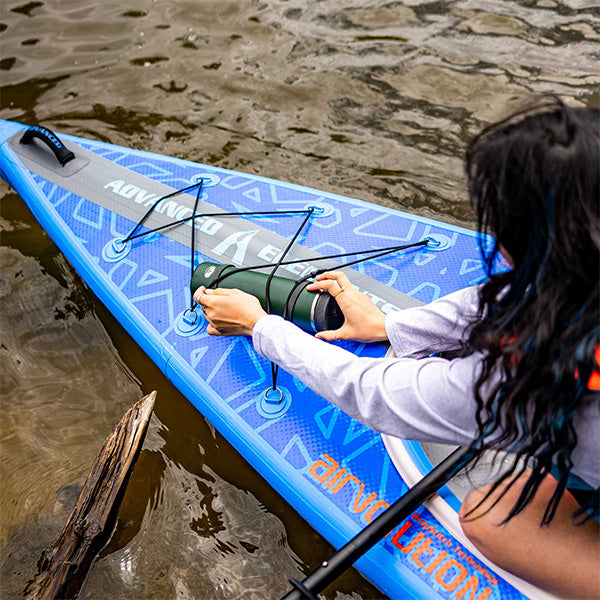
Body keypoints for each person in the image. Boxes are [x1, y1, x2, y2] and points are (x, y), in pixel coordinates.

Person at [194, 98, 600, 599]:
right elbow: (512, 297)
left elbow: (372, 394)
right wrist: (393, 326)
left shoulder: (515, 381)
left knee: (490, 514)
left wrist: (260, 326)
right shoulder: (582, 270)